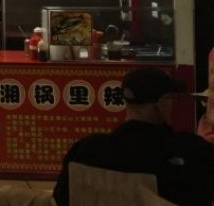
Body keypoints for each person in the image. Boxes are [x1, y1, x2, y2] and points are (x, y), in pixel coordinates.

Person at [52, 68, 214, 206]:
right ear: (161, 103)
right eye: (171, 99)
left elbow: (61, 199)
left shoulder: (85, 151)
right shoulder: (191, 152)